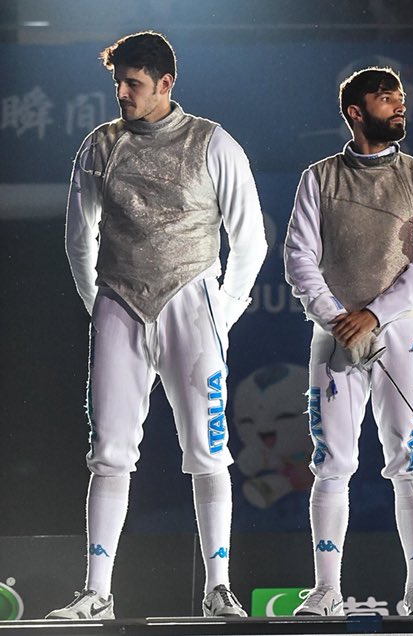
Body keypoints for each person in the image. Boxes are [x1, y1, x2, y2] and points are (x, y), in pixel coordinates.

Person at [50, 31, 267, 619]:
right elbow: (79, 239)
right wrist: (101, 306)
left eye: (134, 84)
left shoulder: (213, 143)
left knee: (208, 449)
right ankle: (97, 592)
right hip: (118, 303)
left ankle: (218, 588)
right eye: (118, 82)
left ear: (166, 83)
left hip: (192, 304)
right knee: (109, 452)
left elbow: (249, 239)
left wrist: (221, 311)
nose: (122, 93)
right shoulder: (100, 146)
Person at [283, 67, 413, 617]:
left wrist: (374, 314)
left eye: (400, 97)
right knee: (332, 460)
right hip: (335, 335)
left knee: (410, 457)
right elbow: (299, 257)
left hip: (400, 330)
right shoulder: (319, 178)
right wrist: (338, 318)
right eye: (385, 98)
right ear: (356, 112)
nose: (399, 106)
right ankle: (326, 589)